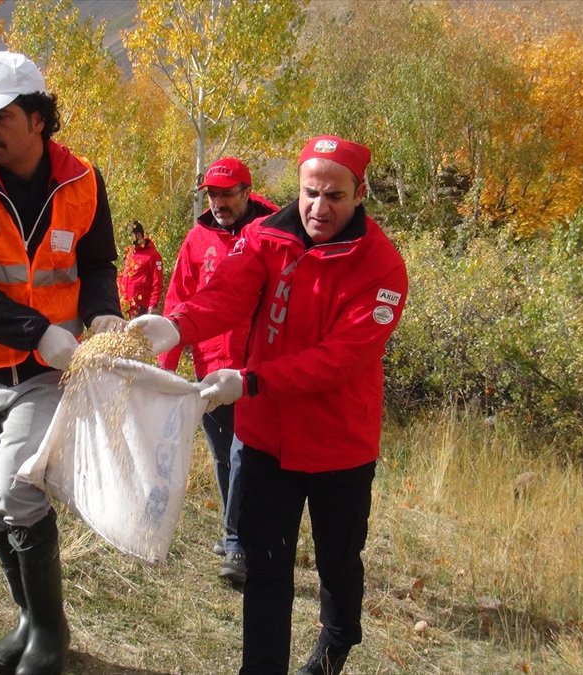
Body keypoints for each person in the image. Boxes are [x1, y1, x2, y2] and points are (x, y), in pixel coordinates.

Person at [130, 135, 408, 675]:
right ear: (297, 188)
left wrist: (251, 381)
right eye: (310, 193)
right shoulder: (264, 237)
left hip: (339, 445)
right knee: (264, 567)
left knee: (336, 561)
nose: (318, 208)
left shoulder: (382, 267)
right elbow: (228, 293)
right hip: (265, 440)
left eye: (334, 196)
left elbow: (339, 361)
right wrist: (177, 325)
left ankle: (337, 642)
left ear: (360, 194)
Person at [0, 51, 125, 675]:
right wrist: (38, 331)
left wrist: (102, 316)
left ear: (38, 119)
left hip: (44, 375)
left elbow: (96, 265)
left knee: (18, 489)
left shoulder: (83, 181)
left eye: (1, 113)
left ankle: (51, 636)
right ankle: (30, 619)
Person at [158, 157, 278, 586]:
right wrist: (166, 369)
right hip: (209, 365)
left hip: (252, 370)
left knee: (244, 455)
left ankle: (236, 542)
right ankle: (236, 533)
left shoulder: (271, 233)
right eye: (213, 194)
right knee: (223, 454)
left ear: (247, 191)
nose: (220, 202)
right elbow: (178, 299)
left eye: (228, 193)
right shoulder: (197, 239)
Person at [117, 220, 164, 318]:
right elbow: (123, 276)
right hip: (125, 307)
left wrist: (153, 305)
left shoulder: (152, 255)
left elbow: (157, 282)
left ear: (138, 235)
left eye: (130, 236)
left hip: (141, 308)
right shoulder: (130, 254)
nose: (127, 240)